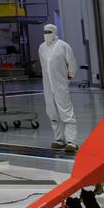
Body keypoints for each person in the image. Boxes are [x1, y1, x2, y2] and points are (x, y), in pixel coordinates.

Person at [39, 23, 77, 153]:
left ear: (54, 32)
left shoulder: (63, 46)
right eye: (45, 32)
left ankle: (71, 141)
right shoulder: (42, 48)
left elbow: (71, 62)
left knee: (65, 111)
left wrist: (70, 75)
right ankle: (59, 139)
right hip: (47, 85)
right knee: (52, 111)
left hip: (60, 84)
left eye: (49, 32)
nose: (46, 35)